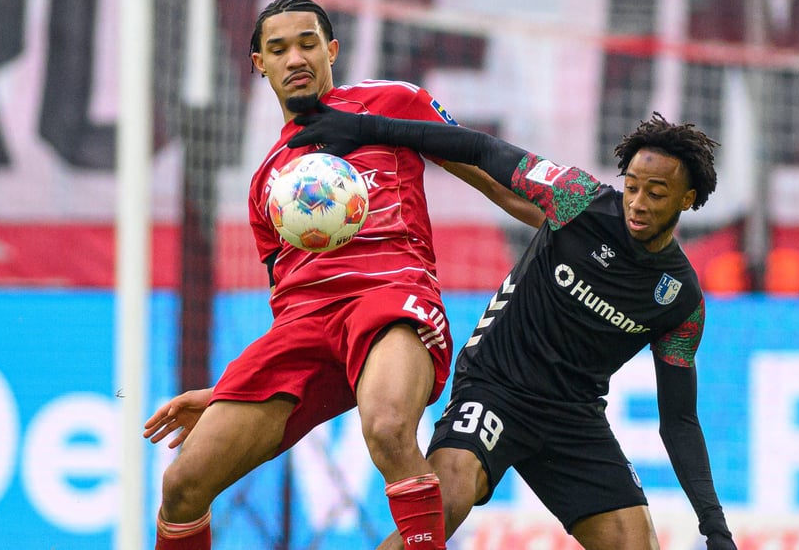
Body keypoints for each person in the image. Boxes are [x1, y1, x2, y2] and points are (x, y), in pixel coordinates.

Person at [143, 0, 541, 550]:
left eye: (307, 43)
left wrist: (573, 221)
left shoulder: (392, 103)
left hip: (392, 299)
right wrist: (223, 393)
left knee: (388, 428)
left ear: (331, 50)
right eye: (278, 49)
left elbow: (494, 179)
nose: (295, 58)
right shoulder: (267, 186)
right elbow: (290, 314)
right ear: (259, 63)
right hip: (308, 326)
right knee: (182, 485)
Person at [284, 105, 738, 550]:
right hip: (495, 388)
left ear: (687, 199)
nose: (637, 204)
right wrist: (366, 127)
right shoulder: (577, 198)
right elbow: (482, 150)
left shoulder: (681, 300)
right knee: (445, 503)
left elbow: (679, 422)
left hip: (573, 417)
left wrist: (714, 526)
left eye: (655, 194)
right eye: (632, 187)